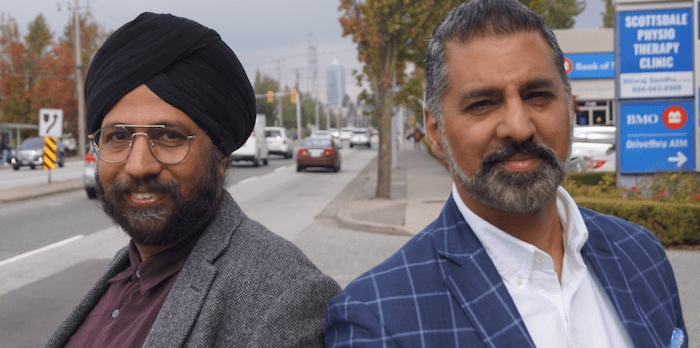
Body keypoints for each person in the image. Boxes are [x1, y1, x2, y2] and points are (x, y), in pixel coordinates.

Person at [324, 1, 686, 347]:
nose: (518, 127)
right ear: (435, 132)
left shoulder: (641, 253)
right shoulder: (379, 317)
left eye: (538, 95)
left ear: (569, 108)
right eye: (483, 103)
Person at [45, 13, 340, 348]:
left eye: (169, 136)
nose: (139, 165)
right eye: (119, 136)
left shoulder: (283, 298)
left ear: (220, 154)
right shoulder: (128, 271)